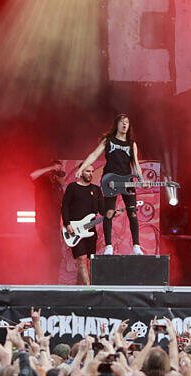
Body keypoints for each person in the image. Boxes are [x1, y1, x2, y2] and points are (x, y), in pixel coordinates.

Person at [76, 113, 144, 256]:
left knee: (132, 213)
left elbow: (135, 164)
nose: (124, 124)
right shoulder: (109, 140)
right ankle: (109, 246)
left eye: (127, 122)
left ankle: (136, 246)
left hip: (127, 181)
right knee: (109, 213)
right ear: (117, 124)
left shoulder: (132, 144)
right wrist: (82, 169)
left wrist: (142, 180)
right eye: (122, 122)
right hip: (110, 181)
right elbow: (94, 155)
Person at [61, 165, 105, 285]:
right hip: (74, 229)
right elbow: (64, 206)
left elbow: (102, 210)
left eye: (92, 171)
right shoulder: (72, 187)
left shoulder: (96, 190)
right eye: (87, 171)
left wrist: (112, 213)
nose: (90, 173)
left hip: (90, 230)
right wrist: (67, 224)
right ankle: (89, 289)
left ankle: (78, 287)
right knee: (81, 259)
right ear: (80, 173)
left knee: (88, 261)